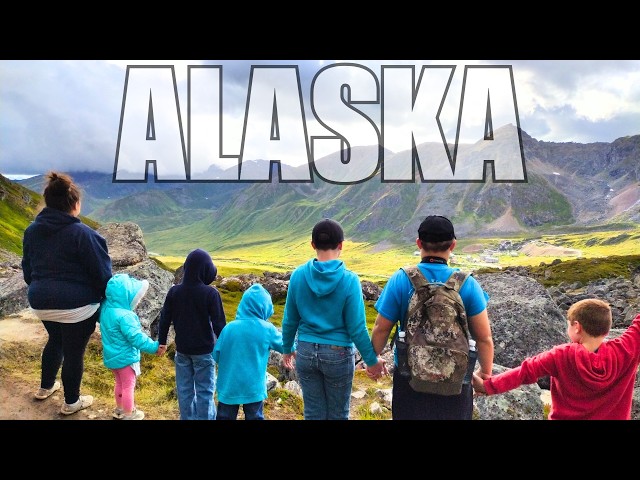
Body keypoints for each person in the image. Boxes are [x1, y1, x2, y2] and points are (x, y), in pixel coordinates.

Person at [369, 214, 494, 420]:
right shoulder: (468, 284)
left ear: (419, 243)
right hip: (456, 381)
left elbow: (382, 328)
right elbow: (484, 338)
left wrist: (373, 359)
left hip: (409, 380)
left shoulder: (401, 279)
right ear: (453, 245)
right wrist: (486, 374)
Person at [22, 171, 113, 416]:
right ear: (75, 204)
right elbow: (103, 277)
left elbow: (28, 271)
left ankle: (45, 387)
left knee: (56, 340)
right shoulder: (85, 235)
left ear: (48, 202)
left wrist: (43, 290)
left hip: (40, 302)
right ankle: (71, 402)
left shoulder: (32, 232)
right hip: (77, 307)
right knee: (74, 351)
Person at [281, 218, 386, 420]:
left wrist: (287, 348)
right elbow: (356, 328)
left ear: (313, 245)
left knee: (313, 412)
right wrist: (371, 361)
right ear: (341, 245)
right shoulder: (350, 280)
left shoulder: (298, 276)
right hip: (338, 355)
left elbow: (289, 320)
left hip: (305, 350)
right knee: (338, 414)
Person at [473, 299, 640, 420]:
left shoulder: (562, 355)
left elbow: (525, 372)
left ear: (577, 327)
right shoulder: (627, 350)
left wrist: (488, 386)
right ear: (606, 328)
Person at [157, 248, 226, 420]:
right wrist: (224, 349)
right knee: (205, 391)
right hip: (204, 352)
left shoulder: (174, 291)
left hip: (182, 351)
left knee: (185, 390)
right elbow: (219, 325)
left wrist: (162, 342)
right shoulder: (210, 293)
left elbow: (164, 318)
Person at [213, 283, 284, 420]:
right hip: (254, 387)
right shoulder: (267, 329)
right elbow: (285, 346)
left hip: (229, 385)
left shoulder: (229, 328)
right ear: (266, 307)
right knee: (255, 417)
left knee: (224, 416)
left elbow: (216, 354)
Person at [99, 273, 160, 420]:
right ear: (126, 297)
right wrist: (154, 347)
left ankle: (119, 409)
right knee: (128, 386)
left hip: (111, 357)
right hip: (126, 358)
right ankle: (129, 413)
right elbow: (136, 338)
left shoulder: (106, 309)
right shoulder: (126, 316)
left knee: (119, 384)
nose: (137, 301)